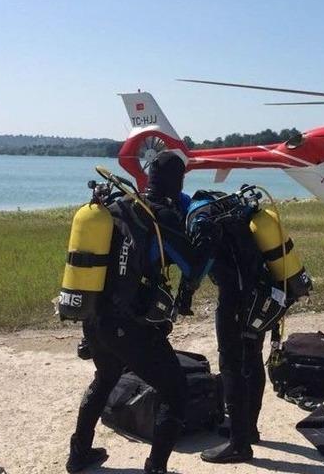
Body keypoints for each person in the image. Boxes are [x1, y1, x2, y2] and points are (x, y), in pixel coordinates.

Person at [67, 151, 218, 474]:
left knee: (106, 377)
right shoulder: (161, 217)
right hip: (128, 325)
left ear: (149, 177)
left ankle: (78, 453)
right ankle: (156, 467)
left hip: (95, 320)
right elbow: (192, 268)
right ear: (178, 182)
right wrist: (207, 238)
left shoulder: (120, 206)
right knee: (175, 390)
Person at [197, 196, 269, 464]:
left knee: (230, 364)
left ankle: (238, 444)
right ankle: (248, 429)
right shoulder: (238, 221)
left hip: (234, 301)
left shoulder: (209, 225)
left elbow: (195, 266)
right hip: (259, 297)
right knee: (252, 356)